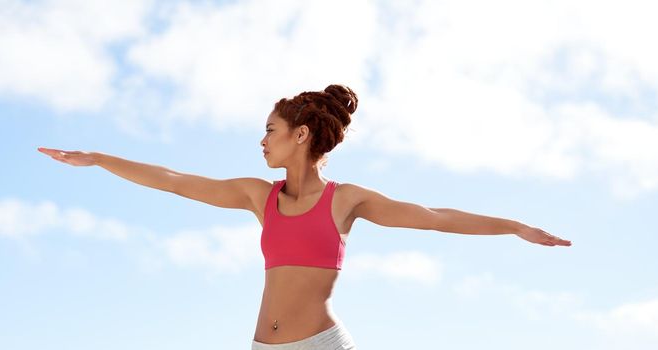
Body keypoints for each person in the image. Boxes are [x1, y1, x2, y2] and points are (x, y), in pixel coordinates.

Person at [37, 84, 572, 349]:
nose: (262, 139)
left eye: (271, 129)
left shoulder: (346, 201)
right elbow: (175, 181)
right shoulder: (257, 196)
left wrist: (515, 226)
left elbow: (433, 216)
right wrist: (98, 159)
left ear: (301, 135)